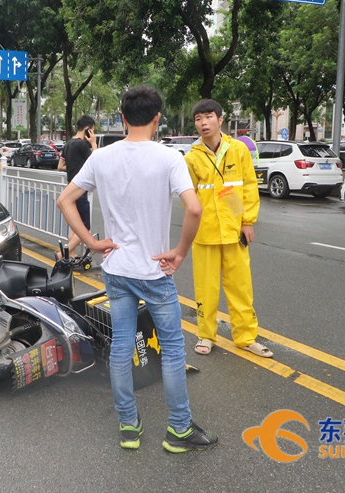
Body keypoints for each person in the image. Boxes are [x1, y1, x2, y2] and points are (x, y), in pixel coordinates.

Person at [57, 85, 218, 453]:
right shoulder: (169, 158)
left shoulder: (102, 158)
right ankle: (178, 429)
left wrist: (93, 243)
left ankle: (129, 427)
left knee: (120, 348)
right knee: (175, 350)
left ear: (125, 118)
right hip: (154, 272)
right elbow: (194, 209)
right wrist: (179, 252)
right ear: (158, 118)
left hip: (116, 268)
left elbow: (65, 200)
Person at [184, 99, 271, 358]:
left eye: (208, 117)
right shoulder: (191, 157)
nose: (203, 123)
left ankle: (246, 337)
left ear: (220, 120)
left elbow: (248, 187)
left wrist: (248, 222)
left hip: (234, 231)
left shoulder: (238, 150)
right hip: (205, 232)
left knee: (240, 287)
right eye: (199, 119)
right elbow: (188, 197)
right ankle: (206, 335)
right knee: (206, 288)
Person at [57, 115, 97, 260]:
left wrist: (74, 166)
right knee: (85, 226)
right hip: (80, 190)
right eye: (92, 130)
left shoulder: (68, 144)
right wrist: (94, 144)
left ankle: (71, 254)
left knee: (75, 225)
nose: (93, 133)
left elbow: (60, 166)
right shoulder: (82, 145)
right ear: (87, 129)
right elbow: (96, 162)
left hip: (70, 189)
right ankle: (63, 254)